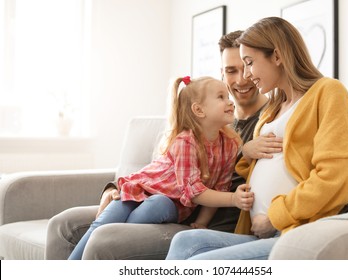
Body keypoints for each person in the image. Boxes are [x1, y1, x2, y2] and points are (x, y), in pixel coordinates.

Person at [45, 30, 275, 260]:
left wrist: (203, 221)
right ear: (222, 74)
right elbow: (161, 173)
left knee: (109, 237)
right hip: (158, 200)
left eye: (247, 66)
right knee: (62, 225)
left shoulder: (270, 121)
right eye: (231, 70)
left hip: (195, 221)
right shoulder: (207, 123)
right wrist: (114, 187)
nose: (242, 78)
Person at [165, 16, 348, 260]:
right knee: (184, 241)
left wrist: (274, 217)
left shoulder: (328, 92)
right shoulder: (274, 107)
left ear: (278, 56)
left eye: (250, 63)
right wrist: (247, 154)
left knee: (202, 262)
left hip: (295, 232)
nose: (247, 75)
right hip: (257, 231)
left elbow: (336, 176)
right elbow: (255, 167)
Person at [67, 75, 256, 260]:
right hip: (137, 189)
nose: (230, 102)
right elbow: (194, 191)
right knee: (104, 223)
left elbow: (219, 188)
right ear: (199, 110)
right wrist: (234, 199)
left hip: (166, 204)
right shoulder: (186, 141)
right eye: (221, 97)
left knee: (160, 204)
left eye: (228, 97)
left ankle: (115, 241)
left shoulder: (229, 144)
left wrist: (201, 223)